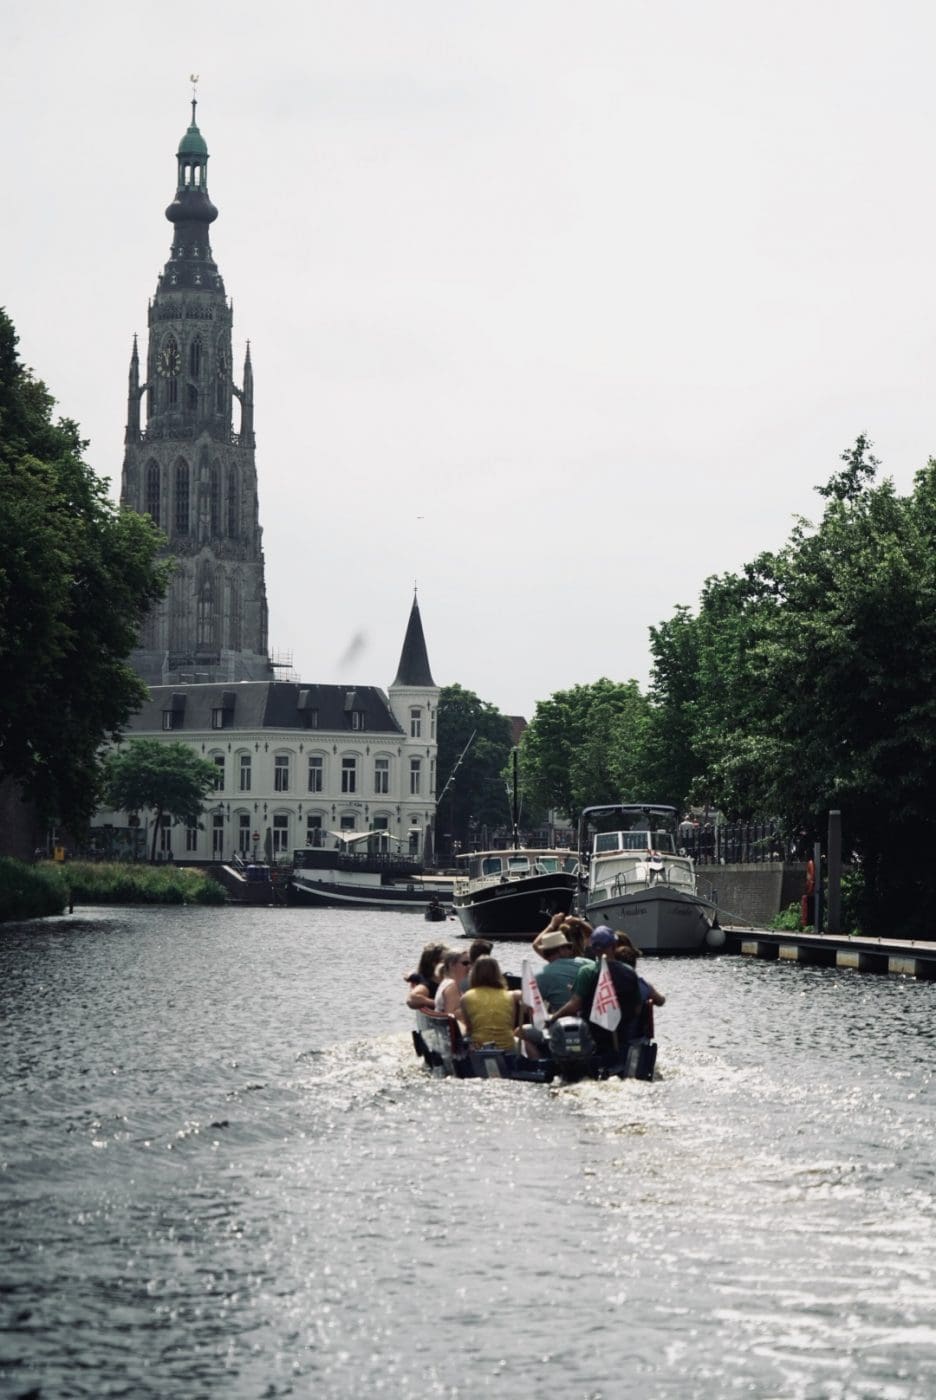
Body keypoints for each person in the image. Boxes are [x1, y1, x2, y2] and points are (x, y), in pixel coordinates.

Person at [545, 927, 642, 1060]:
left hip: (593, 1037)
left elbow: (575, 1005)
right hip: (622, 1036)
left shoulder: (587, 972)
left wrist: (553, 1018)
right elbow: (637, 1009)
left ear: (593, 949)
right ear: (614, 946)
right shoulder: (630, 972)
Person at [460, 956, 522, 1052]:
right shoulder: (509, 996)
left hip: (480, 1049)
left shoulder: (466, 998)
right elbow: (510, 1026)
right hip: (507, 1048)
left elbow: (470, 1028)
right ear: (497, 973)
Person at [404, 941, 446, 1012]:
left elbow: (408, 975)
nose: (451, 961)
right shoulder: (427, 984)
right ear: (435, 963)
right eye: (447, 960)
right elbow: (411, 1000)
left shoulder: (451, 978)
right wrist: (438, 1003)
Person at [434, 948, 470, 1017]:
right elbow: (451, 1016)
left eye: (470, 963)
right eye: (465, 963)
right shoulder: (452, 987)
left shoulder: (447, 982)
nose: (469, 966)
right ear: (452, 965)